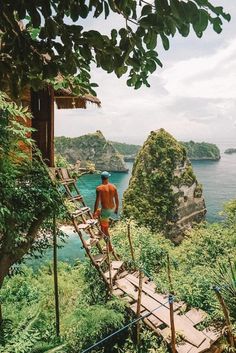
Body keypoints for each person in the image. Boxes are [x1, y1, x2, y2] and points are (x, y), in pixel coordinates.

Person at [93, 171, 119, 251]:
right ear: (107, 178)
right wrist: (117, 209)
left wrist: (94, 212)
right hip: (112, 208)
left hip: (105, 211)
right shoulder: (113, 187)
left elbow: (97, 202)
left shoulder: (99, 188)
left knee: (105, 230)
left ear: (101, 178)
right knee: (99, 212)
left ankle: (109, 247)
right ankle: (100, 232)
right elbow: (117, 199)